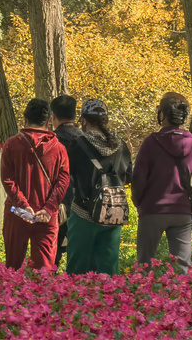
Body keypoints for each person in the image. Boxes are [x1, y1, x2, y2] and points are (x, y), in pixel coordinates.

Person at [132, 92, 192, 272]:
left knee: (144, 265)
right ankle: (182, 299)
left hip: (153, 210)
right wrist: (190, 197)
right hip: (182, 212)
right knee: (183, 267)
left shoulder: (151, 143)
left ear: (161, 114)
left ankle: (140, 298)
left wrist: (140, 203)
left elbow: (138, 179)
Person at [1, 98, 69, 270]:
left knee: (12, 268)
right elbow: (63, 181)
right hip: (46, 216)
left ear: (25, 119)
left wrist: (23, 206)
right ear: (48, 121)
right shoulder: (59, 149)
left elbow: (7, 180)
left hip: (17, 212)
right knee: (44, 271)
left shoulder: (11, 145)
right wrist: (49, 208)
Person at [66, 99, 132, 275]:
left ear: (84, 120)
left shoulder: (78, 144)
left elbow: (68, 175)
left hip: (83, 213)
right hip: (113, 214)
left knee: (77, 270)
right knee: (109, 271)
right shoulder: (121, 146)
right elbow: (129, 176)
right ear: (106, 120)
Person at [49, 95, 83, 268]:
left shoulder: (51, 141)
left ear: (53, 116)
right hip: (84, 203)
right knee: (78, 252)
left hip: (58, 203)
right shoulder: (86, 138)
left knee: (52, 252)